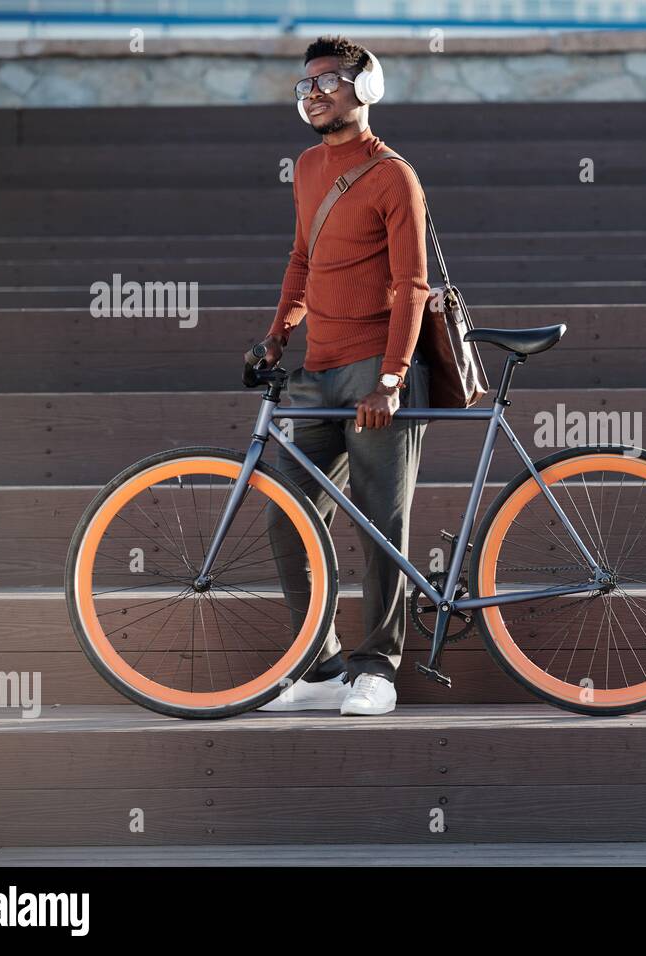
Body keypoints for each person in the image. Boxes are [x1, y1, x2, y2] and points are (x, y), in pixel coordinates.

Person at [253, 35, 430, 716]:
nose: (314, 93)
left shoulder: (394, 176)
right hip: (315, 370)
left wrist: (392, 378)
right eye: (305, 85)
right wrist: (277, 336)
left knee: (382, 523)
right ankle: (324, 667)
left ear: (367, 87)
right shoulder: (304, 167)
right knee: (286, 518)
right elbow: (301, 259)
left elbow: (413, 286)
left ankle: (378, 669)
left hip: (376, 372)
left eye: (327, 80)